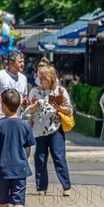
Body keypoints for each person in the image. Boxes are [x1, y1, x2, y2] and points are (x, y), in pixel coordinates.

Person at [26, 66, 72, 197]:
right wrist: (34, 107)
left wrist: (60, 108)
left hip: (55, 128)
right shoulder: (34, 92)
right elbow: (28, 112)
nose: (40, 81)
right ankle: (41, 187)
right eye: (39, 78)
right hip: (39, 130)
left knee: (58, 156)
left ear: (50, 79)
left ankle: (66, 186)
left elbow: (70, 110)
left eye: (43, 78)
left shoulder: (60, 91)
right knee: (39, 158)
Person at [0, 51, 28, 119]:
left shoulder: (23, 78)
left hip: (17, 119)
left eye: (23, 62)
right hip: (1, 118)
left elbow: (24, 97)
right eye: (20, 62)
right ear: (11, 63)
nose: (23, 64)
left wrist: (25, 102)